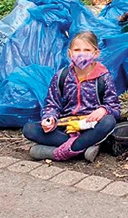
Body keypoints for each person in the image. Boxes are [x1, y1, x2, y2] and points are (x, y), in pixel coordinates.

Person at [22, 31, 120, 162]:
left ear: (96, 53)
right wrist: (49, 118)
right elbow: (52, 104)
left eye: (87, 50)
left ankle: (57, 152)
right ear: (69, 53)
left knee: (109, 121)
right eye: (77, 50)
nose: (81, 54)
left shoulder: (103, 78)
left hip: (90, 127)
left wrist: (103, 110)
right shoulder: (61, 76)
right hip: (66, 126)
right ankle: (82, 148)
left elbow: (114, 107)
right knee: (29, 129)